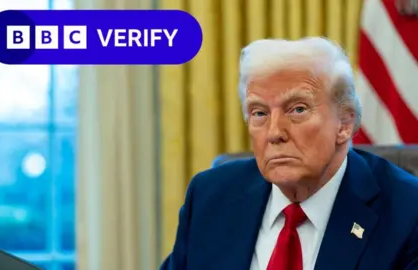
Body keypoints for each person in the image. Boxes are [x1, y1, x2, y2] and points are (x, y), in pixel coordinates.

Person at [160, 37, 418, 270]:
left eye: (297, 110)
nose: (274, 133)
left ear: (344, 124)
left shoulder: (406, 213)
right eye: (259, 113)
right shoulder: (210, 198)